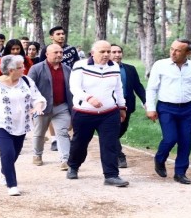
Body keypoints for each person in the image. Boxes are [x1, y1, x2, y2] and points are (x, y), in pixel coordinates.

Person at [0, 55, 46, 196]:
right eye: (20, 67)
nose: (24, 69)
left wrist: (38, 106)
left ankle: (3, 171)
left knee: (14, 153)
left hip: (20, 123)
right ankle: (12, 185)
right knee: (7, 152)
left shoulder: (26, 81)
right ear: (11, 70)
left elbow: (37, 98)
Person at [66, 40, 129, 187]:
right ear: (93, 53)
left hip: (109, 113)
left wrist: (121, 107)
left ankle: (111, 175)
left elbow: (118, 89)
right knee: (80, 143)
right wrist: (88, 98)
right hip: (84, 112)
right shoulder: (80, 66)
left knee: (110, 144)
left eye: (109, 51)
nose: (106, 54)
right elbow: (74, 87)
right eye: (103, 52)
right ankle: (73, 166)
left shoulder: (114, 67)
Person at [146, 39, 191, 185]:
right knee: (170, 138)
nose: (173, 52)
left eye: (178, 50)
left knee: (186, 140)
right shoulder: (160, 65)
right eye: (172, 49)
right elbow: (152, 88)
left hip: (187, 109)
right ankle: (160, 159)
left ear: (188, 53)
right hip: (166, 108)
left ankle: (180, 173)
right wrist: (151, 108)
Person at [27, 44, 73, 171]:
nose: (59, 55)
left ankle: (65, 159)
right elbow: (29, 88)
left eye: (60, 52)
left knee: (63, 132)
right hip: (42, 107)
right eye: (56, 52)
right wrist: (33, 106)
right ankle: (37, 155)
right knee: (39, 133)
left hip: (62, 106)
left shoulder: (67, 69)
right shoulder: (36, 68)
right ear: (47, 54)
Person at [110, 44, 146, 168]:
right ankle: (119, 156)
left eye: (119, 52)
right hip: (109, 105)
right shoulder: (103, 69)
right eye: (113, 52)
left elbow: (138, 86)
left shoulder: (130, 69)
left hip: (127, 104)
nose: (117, 54)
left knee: (121, 129)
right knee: (112, 131)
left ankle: (109, 146)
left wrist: (146, 101)